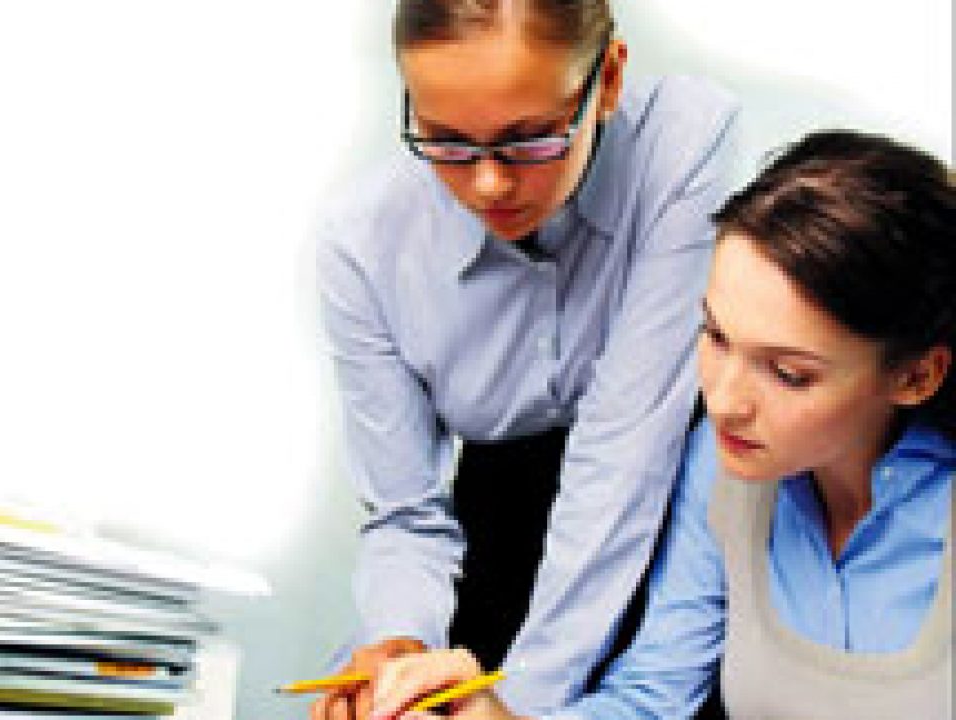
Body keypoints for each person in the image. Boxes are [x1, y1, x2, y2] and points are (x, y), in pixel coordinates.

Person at [366, 129, 955, 719]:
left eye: (788, 373)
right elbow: (654, 698)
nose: (723, 400)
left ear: (917, 377)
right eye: (716, 336)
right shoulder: (721, 465)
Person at [313, 0, 738, 717]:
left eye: (529, 141)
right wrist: (399, 649)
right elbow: (406, 514)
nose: (488, 184)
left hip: (668, 512)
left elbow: (624, 455)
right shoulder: (364, 243)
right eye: (446, 141)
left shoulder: (682, 140)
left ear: (608, 81)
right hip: (496, 531)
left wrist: (519, 708)